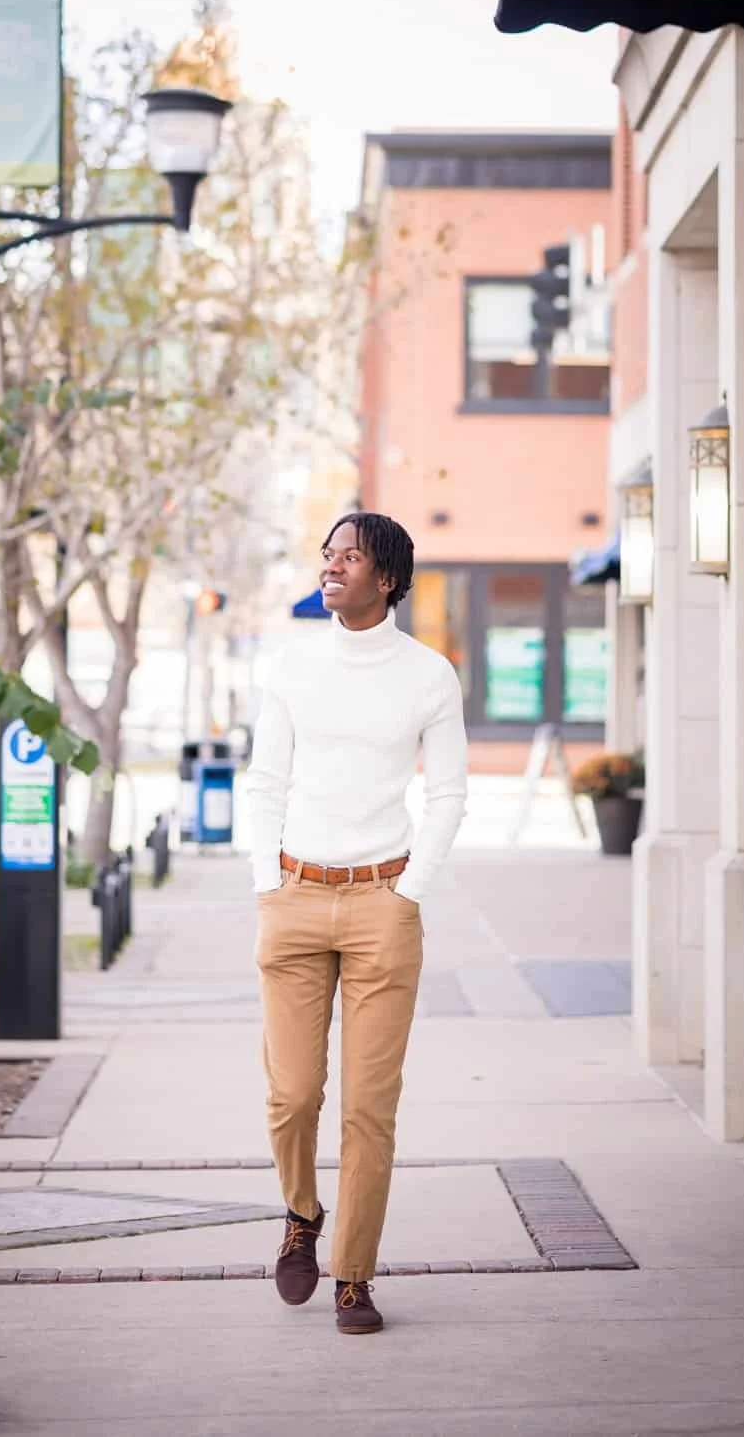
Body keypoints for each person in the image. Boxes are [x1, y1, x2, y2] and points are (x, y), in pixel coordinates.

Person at [248, 512, 468, 1334]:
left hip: (383, 903)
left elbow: (447, 793)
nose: (331, 566)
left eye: (350, 557)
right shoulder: (295, 664)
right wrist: (264, 880)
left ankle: (355, 1275)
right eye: (327, 554)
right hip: (295, 897)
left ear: (387, 578)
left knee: (369, 1106)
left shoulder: (426, 675)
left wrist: (410, 890)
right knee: (292, 1095)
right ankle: (301, 1211)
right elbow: (264, 779)